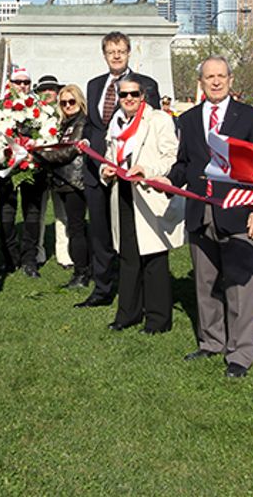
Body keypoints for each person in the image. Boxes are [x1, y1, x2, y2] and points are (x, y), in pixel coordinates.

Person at [164, 57, 253, 376]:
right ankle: (211, 342)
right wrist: (165, 182)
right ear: (200, 82)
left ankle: (240, 353)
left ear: (230, 79)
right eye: (209, 77)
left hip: (239, 213)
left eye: (221, 76)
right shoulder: (189, 119)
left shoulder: (250, 117)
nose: (215, 82)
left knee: (240, 285)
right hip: (200, 212)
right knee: (205, 283)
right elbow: (184, 163)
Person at [78, 31, 160, 308]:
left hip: (128, 172)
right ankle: (102, 290)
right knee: (99, 233)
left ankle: (134, 289)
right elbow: (93, 125)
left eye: (121, 51)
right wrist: (86, 142)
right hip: (97, 170)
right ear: (104, 54)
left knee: (131, 233)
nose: (116, 56)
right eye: (111, 51)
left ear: (129, 53)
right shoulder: (93, 85)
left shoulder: (145, 84)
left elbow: (153, 126)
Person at [101, 76, 182, 333]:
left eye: (133, 94)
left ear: (143, 96)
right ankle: (127, 314)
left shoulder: (159, 119)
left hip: (148, 193)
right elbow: (109, 156)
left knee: (154, 257)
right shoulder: (116, 123)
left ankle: (158, 320)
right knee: (127, 255)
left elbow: (171, 158)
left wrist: (146, 170)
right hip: (122, 193)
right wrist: (106, 170)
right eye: (123, 95)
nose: (128, 99)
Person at [0, 67, 48, 277]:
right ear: (11, 83)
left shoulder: (40, 108)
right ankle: (10, 258)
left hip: (32, 167)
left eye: (26, 82)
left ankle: (29, 260)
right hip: (6, 168)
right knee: (6, 213)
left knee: (32, 213)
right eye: (18, 82)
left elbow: (45, 136)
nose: (22, 86)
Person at [38, 83, 91, 288]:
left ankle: (81, 273)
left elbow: (66, 152)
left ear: (80, 102)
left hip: (75, 181)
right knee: (75, 226)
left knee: (76, 228)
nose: (68, 105)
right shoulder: (66, 123)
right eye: (63, 102)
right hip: (65, 181)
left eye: (71, 101)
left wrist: (36, 153)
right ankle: (85, 269)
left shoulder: (80, 123)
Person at [35, 74, 68, 267]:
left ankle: (64, 254)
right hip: (39, 169)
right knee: (38, 213)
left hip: (61, 170)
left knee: (62, 214)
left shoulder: (64, 112)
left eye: (52, 89)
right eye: (44, 90)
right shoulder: (32, 114)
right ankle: (38, 252)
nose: (48, 93)